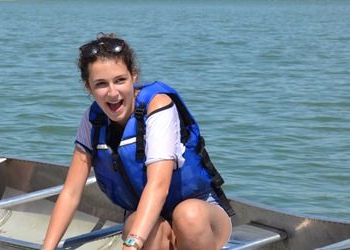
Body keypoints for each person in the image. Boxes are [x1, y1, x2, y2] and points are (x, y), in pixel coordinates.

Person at [41, 33, 235, 250]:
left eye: (120, 80)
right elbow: (71, 193)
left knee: (187, 215)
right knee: (139, 224)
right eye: (101, 84)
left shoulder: (158, 107)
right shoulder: (92, 121)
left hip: (202, 219)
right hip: (150, 224)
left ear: (134, 75)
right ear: (88, 87)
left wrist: (131, 245)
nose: (113, 93)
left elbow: (158, 185)